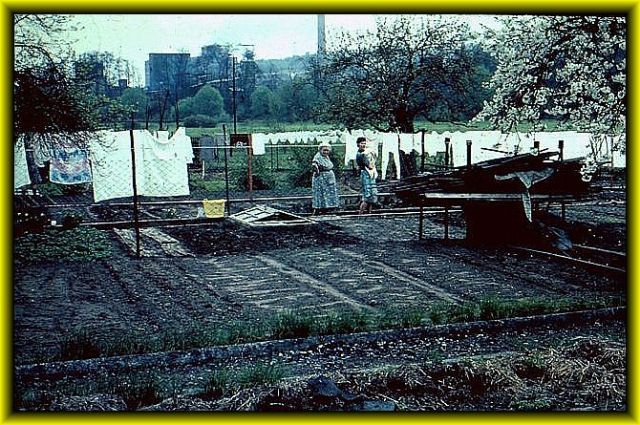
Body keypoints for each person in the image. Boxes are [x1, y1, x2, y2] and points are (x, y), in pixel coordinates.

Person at [311, 141, 340, 215]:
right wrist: (317, 171)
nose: (326, 152)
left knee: (328, 193)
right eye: (324, 150)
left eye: (327, 150)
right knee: (322, 193)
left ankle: (327, 209)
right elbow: (314, 164)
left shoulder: (326, 156)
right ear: (320, 150)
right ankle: (319, 209)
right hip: (322, 178)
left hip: (328, 177)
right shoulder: (318, 156)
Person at [355, 136, 378, 214]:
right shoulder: (360, 154)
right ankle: (361, 213)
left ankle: (369, 212)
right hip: (365, 173)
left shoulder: (366, 152)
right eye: (361, 143)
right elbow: (370, 166)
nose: (363, 145)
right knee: (367, 194)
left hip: (370, 173)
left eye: (364, 143)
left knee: (372, 193)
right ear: (358, 144)